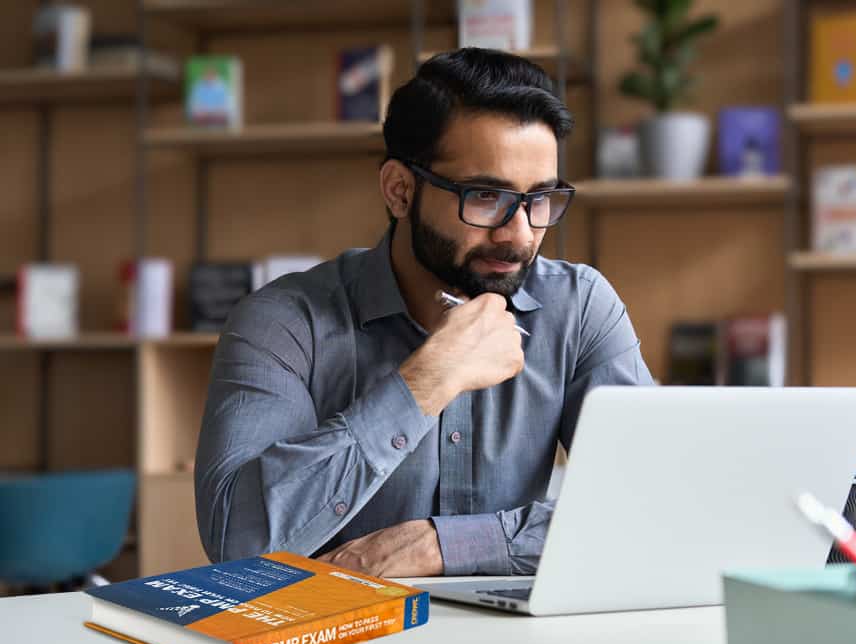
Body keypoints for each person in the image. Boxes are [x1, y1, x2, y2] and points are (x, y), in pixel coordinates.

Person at [195, 48, 654, 578]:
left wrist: (442, 545)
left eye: (541, 199)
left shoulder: (578, 308)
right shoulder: (282, 322)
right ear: (399, 191)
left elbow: (654, 505)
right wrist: (426, 382)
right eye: (485, 196)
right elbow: (238, 542)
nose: (521, 234)